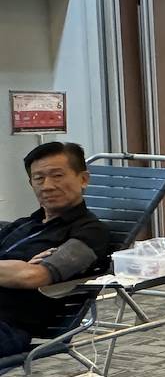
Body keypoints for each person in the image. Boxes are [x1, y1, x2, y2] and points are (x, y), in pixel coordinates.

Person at [0, 143, 111, 357]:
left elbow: (34, 276)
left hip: (10, 326)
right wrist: (15, 269)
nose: (47, 186)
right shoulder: (23, 225)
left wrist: (23, 271)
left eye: (57, 176)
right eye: (38, 178)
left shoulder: (90, 232)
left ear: (83, 179)